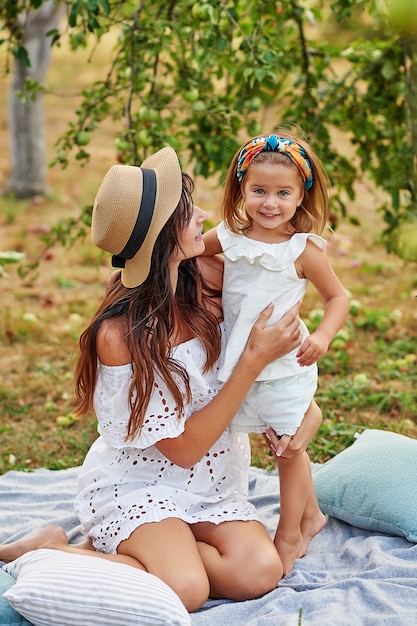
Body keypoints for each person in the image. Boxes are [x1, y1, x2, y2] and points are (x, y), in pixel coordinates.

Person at [0, 146, 322, 612]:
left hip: (210, 487)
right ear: (164, 236)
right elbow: (183, 447)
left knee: (259, 572)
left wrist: (304, 414)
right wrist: (251, 361)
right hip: (139, 487)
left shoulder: (213, 279)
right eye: (188, 212)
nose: (205, 217)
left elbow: (283, 361)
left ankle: (139, 552)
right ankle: (54, 550)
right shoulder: (120, 334)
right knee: (186, 589)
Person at [202, 128, 349, 575]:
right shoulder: (229, 236)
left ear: (301, 196)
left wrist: (322, 336)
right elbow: (187, 251)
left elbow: (338, 298)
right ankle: (312, 515)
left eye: (283, 193)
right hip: (243, 364)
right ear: (241, 189)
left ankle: (290, 533)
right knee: (279, 443)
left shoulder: (302, 250)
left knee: (288, 449)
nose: (270, 203)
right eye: (258, 190)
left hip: (286, 364)